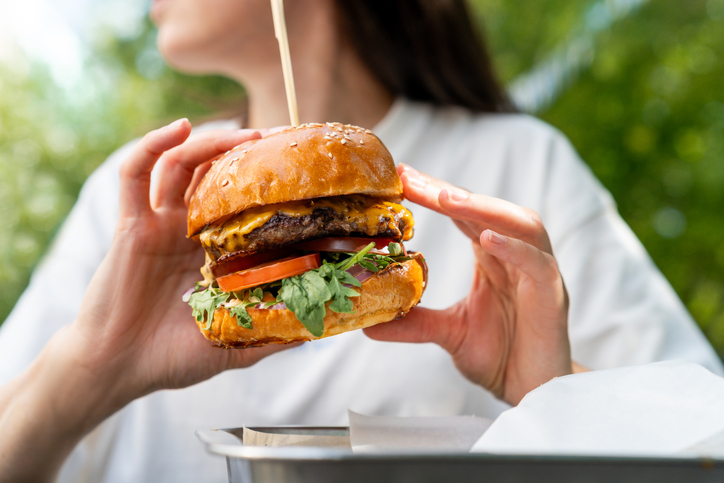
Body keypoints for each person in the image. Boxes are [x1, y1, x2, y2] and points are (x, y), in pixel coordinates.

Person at [0, 1, 720, 481]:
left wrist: (553, 393)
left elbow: (704, 439)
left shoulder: (522, 165)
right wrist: (90, 371)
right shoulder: (138, 204)